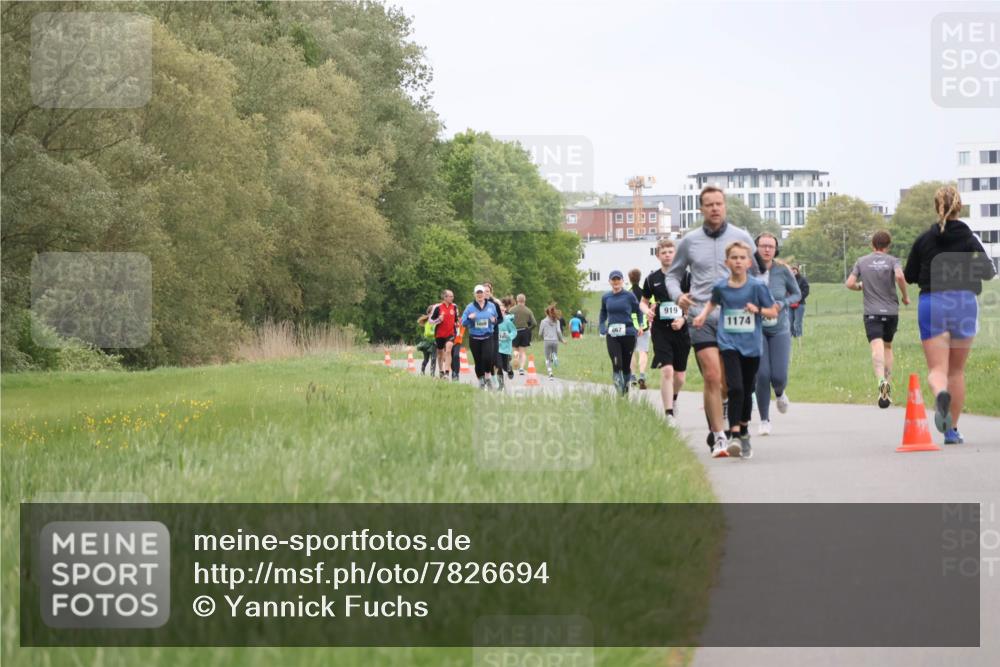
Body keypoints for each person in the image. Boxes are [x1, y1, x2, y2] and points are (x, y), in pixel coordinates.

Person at [666, 185, 756, 455]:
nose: (715, 208)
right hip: (700, 315)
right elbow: (672, 275)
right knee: (712, 375)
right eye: (709, 204)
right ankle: (719, 438)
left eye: (719, 203)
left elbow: (762, 270)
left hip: (736, 317)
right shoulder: (689, 241)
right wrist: (677, 295)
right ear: (701, 208)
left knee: (730, 381)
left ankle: (727, 412)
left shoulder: (741, 236)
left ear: (725, 206)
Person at [904, 185, 996, 444]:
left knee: (937, 369)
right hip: (964, 303)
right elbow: (989, 272)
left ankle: (940, 392)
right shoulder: (969, 238)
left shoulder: (924, 239)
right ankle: (951, 431)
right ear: (960, 206)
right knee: (957, 371)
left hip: (933, 303)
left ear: (937, 208)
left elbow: (910, 275)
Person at [693, 241, 777, 459]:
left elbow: (773, 312)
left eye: (742, 258)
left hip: (752, 347)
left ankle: (744, 430)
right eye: (734, 258)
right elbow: (713, 303)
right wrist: (702, 316)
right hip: (728, 343)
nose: (738, 261)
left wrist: (757, 309)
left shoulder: (757, 286)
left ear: (749, 263)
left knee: (747, 390)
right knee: (735, 387)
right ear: (726, 262)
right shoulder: (721, 286)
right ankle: (735, 435)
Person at [845, 230, 910, 408]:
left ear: (872, 245)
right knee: (888, 347)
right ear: (888, 246)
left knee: (876, 346)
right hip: (890, 312)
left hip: (871, 312)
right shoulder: (893, 261)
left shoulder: (862, 261)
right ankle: (887, 387)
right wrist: (905, 296)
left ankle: (881, 381)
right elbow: (899, 276)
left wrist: (860, 287)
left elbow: (849, 283)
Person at [753, 233, 801, 435]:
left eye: (770, 246)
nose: (766, 250)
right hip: (756, 328)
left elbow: (798, 293)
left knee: (778, 376)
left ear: (775, 249)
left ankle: (780, 393)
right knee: (762, 375)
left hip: (780, 328)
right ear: (755, 248)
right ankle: (764, 419)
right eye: (763, 246)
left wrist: (783, 303)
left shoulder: (783, 270)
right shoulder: (749, 270)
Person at [640, 238, 691, 428]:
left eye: (671, 252)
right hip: (661, 330)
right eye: (664, 252)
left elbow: (693, 301)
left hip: (682, 330)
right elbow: (643, 302)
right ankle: (668, 413)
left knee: (680, 377)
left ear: (675, 254)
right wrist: (648, 311)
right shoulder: (651, 279)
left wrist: (684, 318)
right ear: (658, 256)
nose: (668, 255)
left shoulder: (685, 277)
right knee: (667, 370)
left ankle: (674, 398)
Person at [599, 270, 642, 396]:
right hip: (612, 334)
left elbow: (638, 311)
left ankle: (626, 390)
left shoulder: (629, 296)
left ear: (623, 281)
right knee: (616, 362)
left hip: (628, 333)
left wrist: (639, 325)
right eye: (613, 280)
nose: (616, 282)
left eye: (618, 279)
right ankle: (620, 394)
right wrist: (602, 326)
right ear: (610, 282)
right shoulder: (606, 297)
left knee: (626, 365)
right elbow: (602, 313)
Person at [461, 285, 501, 389]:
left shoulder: (491, 306)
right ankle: (481, 380)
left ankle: (487, 376)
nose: (479, 295)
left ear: (484, 294)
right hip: (474, 338)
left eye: (481, 293)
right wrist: (469, 318)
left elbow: (497, 319)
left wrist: (494, 321)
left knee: (488, 358)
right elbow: (463, 323)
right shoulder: (470, 307)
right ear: (474, 294)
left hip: (488, 336)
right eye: (477, 293)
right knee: (478, 361)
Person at [628, 268, 651, 390]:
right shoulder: (645, 292)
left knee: (631, 352)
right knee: (643, 351)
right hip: (645, 325)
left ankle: (632, 376)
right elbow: (651, 307)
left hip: (631, 325)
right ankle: (642, 375)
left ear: (629, 279)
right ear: (640, 278)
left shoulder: (627, 292)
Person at [429, 290, 459, 380]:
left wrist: (457, 323)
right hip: (439, 334)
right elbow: (430, 321)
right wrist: (438, 319)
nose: (452, 298)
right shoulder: (437, 307)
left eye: (453, 296)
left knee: (449, 349)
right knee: (440, 353)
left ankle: (447, 372)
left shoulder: (454, 307)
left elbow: (456, 319)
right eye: (450, 296)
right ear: (445, 297)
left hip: (450, 333)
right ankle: (441, 371)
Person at [509, 293, 537, 375]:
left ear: (517, 300)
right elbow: (534, 323)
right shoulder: (528, 310)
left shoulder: (512, 310)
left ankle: (516, 359)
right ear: (524, 301)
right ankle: (521, 368)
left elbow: (507, 321)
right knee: (523, 352)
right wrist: (529, 329)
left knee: (515, 349)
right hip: (524, 332)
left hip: (514, 331)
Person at [539, 304, 566, 380]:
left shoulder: (543, 321)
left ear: (546, 313)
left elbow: (540, 333)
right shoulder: (557, 321)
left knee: (547, 358)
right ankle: (554, 357)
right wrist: (562, 340)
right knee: (554, 354)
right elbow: (558, 331)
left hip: (547, 341)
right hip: (555, 341)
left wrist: (543, 334)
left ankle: (550, 373)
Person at [496, 297, 518, 389]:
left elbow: (514, 331)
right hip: (497, 348)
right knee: (499, 366)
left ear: (505, 311)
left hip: (506, 348)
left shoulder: (508, 321)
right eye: (499, 311)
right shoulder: (494, 321)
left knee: (505, 366)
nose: (501, 312)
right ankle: (501, 385)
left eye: (502, 310)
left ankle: (509, 369)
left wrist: (510, 336)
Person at [789, 265, 810, 338]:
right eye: (792, 269)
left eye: (794, 269)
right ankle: (792, 336)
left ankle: (799, 337)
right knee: (789, 322)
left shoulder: (802, 279)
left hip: (800, 304)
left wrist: (799, 298)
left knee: (797, 322)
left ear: (797, 271)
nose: (793, 271)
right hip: (790, 304)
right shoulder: (788, 280)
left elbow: (806, 291)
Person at [416, 307, 437, 375]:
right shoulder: (428, 322)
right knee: (426, 359)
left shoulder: (435, 321)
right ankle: (422, 371)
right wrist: (436, 333)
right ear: (429, 313)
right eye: (433, 312)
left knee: (433, 358)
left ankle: (432, 374)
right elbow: (428, 333)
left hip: (434, 343)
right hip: (427, 343)